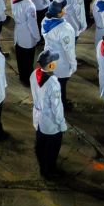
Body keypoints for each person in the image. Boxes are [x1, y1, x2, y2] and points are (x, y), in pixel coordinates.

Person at [31, 49, 67, 178]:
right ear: (51, 65)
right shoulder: (53, 83)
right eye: (54, 61)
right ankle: (48, 171)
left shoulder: (34, 74)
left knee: (40, 143)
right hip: (50, 122)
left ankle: (42, 165)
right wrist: (62, 124)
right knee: (52, 148)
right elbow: (57, 108)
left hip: (38, 115)